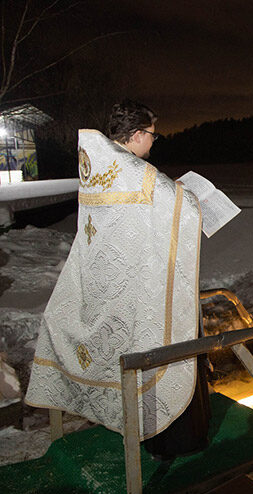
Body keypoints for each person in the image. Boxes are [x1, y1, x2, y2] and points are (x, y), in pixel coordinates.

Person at [26, 99, 210, 460]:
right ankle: (177, 442)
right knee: (167, 347)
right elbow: (183, 208)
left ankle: (138, 428)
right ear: (138, 134)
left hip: (110, 282)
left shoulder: (96, 164)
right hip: (141, 288)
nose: (154, 143)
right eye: (153, 136)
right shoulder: (134, 170)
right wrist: (193, 197)